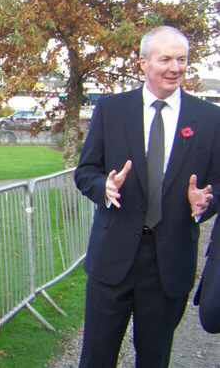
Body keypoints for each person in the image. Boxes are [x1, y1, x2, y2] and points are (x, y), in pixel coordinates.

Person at [74, 25, 220, 368]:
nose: (175, 68)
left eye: (182, 59)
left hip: (169, 261)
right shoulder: (111, 109)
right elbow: (85, 171)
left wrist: (205, 203)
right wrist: (104, 188)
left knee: (154, 358)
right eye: (165, 59)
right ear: (142, 62)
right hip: (113, 259)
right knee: (96, 357)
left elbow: (218, 181)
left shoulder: (210, 118)